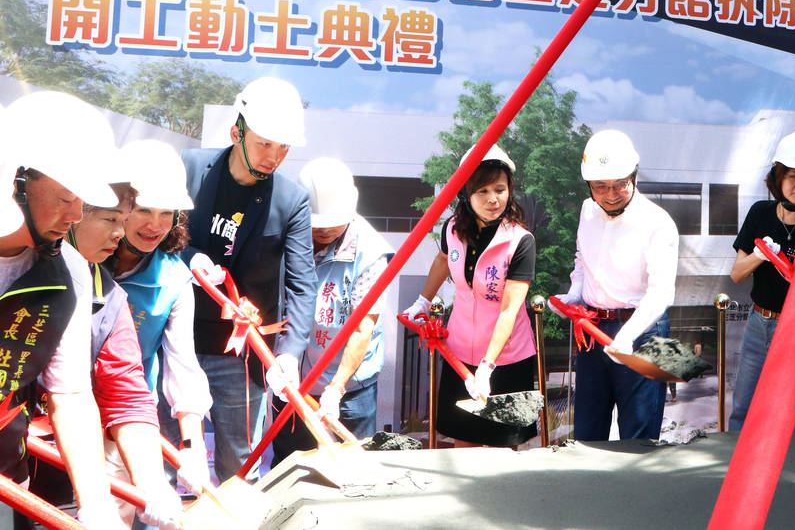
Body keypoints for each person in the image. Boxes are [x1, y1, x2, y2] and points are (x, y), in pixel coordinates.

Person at [180, 76, 316, 480]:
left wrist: (290, 353)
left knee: (240, 465)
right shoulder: (189, 170)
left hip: (241, 354)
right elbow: (152, 239)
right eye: (264, 143)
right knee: (165, 454)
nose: (274, 156)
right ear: (236, 131)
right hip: (176, 339)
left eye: (283, 147)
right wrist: (189, 259)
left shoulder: (291, 200)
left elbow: (302, 283)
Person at [0, 91, 125, 529]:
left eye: (83, 202)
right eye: (67, 195)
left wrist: (96, 503)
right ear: (17, 180)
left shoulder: (67, 271)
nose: (76, 214)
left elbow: (70, 393)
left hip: (6, 472)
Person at [63, 181, 183, 530]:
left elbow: (125, 391)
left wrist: (152, 483)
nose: (120, 233)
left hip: (79, 444)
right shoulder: (24, 269)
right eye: (111, 220)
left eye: (122, 220)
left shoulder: (108, 295)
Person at [404, 146, 538, 447]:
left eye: (500, 189)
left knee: (502, 447)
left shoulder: (520, 241)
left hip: (505, 359)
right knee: (464, 441)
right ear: (466, 193)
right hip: (460, 352)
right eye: (483, 191)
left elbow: (509, 311)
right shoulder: (452, 228)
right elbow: (442, 261)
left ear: (510, 190)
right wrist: (422, 301)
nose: (493, 199)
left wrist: (488, 368)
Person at [552, 130, 678, 442]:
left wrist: (627, 336)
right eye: (600, 186)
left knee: (640, 436)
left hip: (645, 332)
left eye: (620, 184)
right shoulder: (587, 210)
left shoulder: (658, 222)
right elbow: (583, 261)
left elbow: (662, 292)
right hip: (593, 334)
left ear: (634, 176)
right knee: (587, 432)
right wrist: (573, 294)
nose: (610, 194)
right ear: (589, 185)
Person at [106, 139, 212, 494]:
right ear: (119, 205)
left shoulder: (174, 280)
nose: (155, 225)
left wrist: (193, 448)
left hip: (126, 419)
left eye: (167, 213)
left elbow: (183, 366)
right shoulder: (82, 258)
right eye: (144, 210)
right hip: (54, 409)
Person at [272, 157, 390, 462]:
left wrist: (336, 389)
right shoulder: (287, 237)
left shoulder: (371, 253)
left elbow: (363, 326)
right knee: (291, 464)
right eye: (316, 224)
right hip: (293, 379)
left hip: (350, 389)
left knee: (350, 466)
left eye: (331, 224)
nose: (323, 231)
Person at [728, 130, 795, 432]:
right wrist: (762, 254)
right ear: (778, 176)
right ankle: (730, 474)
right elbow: (737, 274)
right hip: (760, 324)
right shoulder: (760, 212)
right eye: (793, 175)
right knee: (744, 410)